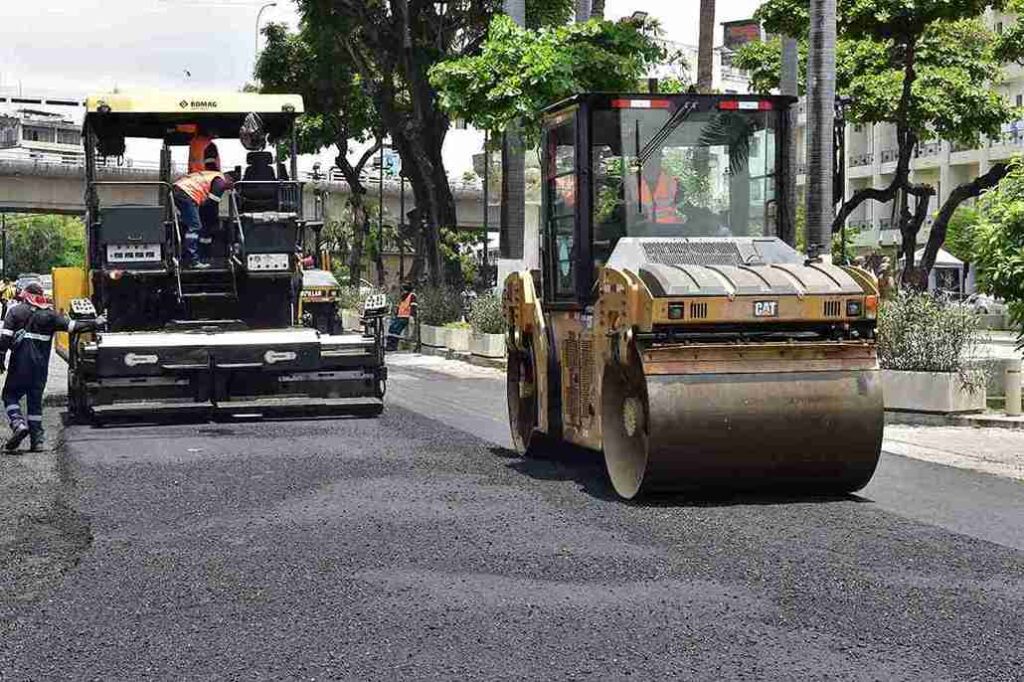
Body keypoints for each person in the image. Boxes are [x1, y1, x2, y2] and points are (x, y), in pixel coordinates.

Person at [0, 283, 102, 452]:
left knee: (9, 395)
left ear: (25, 295)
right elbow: (73, 326)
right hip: (40, 369)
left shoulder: (15, 312)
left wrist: (1, 358)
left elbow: (4, 339)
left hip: (19, 366)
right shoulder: (50, 315)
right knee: (35, 402)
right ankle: (37, 441)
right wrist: (95, 322)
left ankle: (18, 424)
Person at [172, 165, 237, 268]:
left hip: (179, 189)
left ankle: (186, 256)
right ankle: (193, 261)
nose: (231, 187)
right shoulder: (220, 182)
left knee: (189, 224)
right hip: (188, 192)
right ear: (229, 179)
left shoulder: (214, 175)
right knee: (195, 226)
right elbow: (212, 204)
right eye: (232, 184)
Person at [387, 283, 416, 351]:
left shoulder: (412, 296)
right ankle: (390, 344)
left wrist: (411, 316)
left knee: (396, 329)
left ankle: (393, 346)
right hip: (400, 316)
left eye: (403, 290)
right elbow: (400, 307)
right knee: (392, 328)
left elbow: (413, 306)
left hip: (405, 317)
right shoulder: (403, 296)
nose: (402, 291)